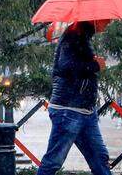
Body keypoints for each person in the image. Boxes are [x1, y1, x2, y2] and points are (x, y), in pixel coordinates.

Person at [35, 20, 112, 175]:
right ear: (94, 20)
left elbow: (77, 65)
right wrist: (95, 65)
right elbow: (67, 67)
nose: (108, 23)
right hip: (68, 110)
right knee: (54, 161)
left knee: (99, 158)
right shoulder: (72, 38)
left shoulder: (82, 38)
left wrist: (92, 61)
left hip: (85, 111)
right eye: (106, 20)